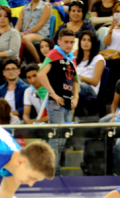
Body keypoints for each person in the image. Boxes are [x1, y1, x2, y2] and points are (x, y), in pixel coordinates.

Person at [37, 28, 79, 165]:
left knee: (62, 140)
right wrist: (53, 94)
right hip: (56, 103)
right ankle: (50, 171)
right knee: (56, 139)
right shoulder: (53, 54)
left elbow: (75, 80)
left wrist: (76, 97)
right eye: (66, 42)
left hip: (68, 103)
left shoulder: (71, 58)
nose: (68, 45)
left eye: (71, 42)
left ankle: (55, 171)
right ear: (59, 42)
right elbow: (41, 74)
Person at [76, 31, 105, 98]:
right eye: (83, 40)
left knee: (71, 85)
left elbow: (95, 82)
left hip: (90, 88)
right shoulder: (77, 57)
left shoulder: (98, 58)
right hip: (77, 83)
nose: (86, 42)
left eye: (89, 40)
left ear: (93, 43)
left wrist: (78, 76)